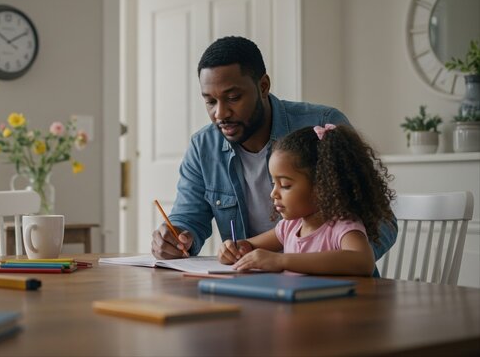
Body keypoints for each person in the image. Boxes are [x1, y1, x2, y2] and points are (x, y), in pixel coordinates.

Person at [151, 36, 397, 271]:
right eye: (210, 102)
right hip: (254, 288)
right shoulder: (202, 147)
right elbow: (189, 219)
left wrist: (313, 263)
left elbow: (380, 221)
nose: (220, 114)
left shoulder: (322, 125)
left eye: (233, 97)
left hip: (334, 296)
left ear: (263, 86)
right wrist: (176, 238)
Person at [218, 124, 395, 276]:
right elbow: (248, 245)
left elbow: (363, 261)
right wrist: (234, 248)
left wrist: (282, 260)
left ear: (323, 186)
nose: (273, 194)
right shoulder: (290, 227)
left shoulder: (342, 227)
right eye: (274, 183)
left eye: (285, 185)